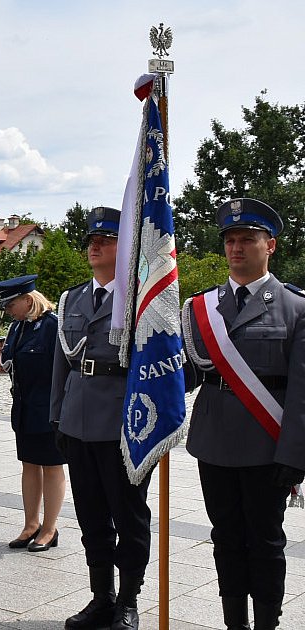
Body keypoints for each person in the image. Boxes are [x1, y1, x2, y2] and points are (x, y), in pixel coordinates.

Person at [181, 198, 305, 630]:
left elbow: (303, 391)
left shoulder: (296, 307)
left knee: (267, 542)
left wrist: (295, 454)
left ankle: (267, 622)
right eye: (230, 240)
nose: (237, 248)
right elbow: (187, 374)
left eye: (248, 239)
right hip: (213, 442)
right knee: (226, 539)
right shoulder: (201, 309)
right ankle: (235, 622)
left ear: (269, 245)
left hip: (267, 446)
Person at [51, 206, 149, 630]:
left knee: (129, 518)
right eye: (91, 240)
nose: (94, 246)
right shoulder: (72, 298)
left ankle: (128, 601)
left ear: (124, 247)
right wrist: (56, 416)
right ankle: (101, 597)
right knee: (91, 517)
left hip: (124, 424)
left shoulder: (142, 299)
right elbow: (61, 364)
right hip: (78, 420)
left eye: (106, 240)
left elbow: (163, 364)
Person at [0, 274, 64, 553]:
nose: (8, 310)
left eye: (11, 304)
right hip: (24, 409)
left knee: (51, 467)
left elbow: (62, 371)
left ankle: (50, 528)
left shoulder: (52, 326)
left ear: (28, 299)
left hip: (47, 410)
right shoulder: (17, 328)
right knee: (29, 465)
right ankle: (30, 524)